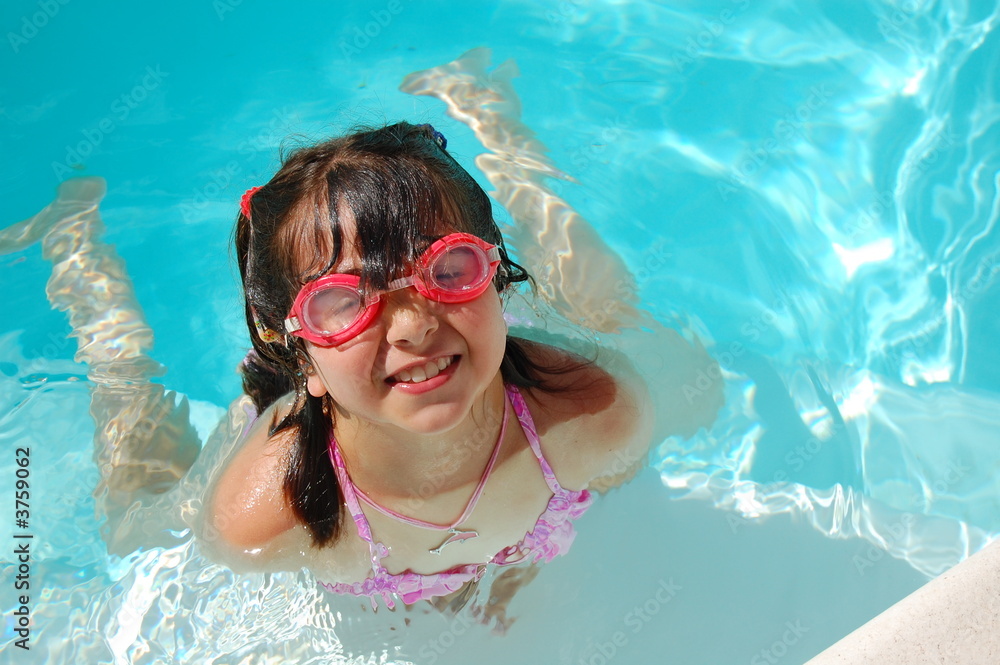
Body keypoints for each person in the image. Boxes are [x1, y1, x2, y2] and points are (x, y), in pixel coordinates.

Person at [209, 122, 656, 620]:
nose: (413, 325)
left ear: (498, 280)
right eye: (342, 302)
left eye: (446, 269)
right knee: (141, 483)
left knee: (609, 307)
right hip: (287, 417)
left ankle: (506, 134)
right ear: (299, 357)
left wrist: (518, 576)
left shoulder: (593, 415)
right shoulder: (263, 520)